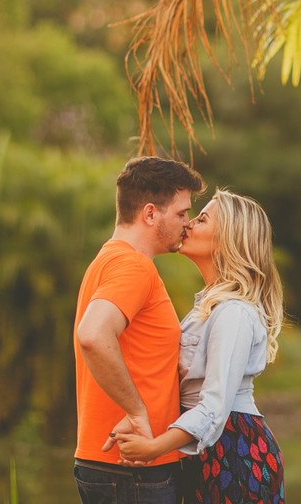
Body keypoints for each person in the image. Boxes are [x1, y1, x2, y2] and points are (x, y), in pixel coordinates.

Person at [113, 189, 286, 504]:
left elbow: (214, 407)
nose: (188, 224)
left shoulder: (233, 311)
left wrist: (155, 447)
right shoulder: (207, 308)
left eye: (202, 219)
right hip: (208, 450)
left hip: (235, 451)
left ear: (228, 239)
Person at [73, 155, 205, 504]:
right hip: (132, 469)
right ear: (150, 214)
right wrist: (136, 412)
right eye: (181, 213)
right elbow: (92, 335)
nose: (187, 224)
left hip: (113, 463)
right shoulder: (133, 267)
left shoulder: (108, 260)